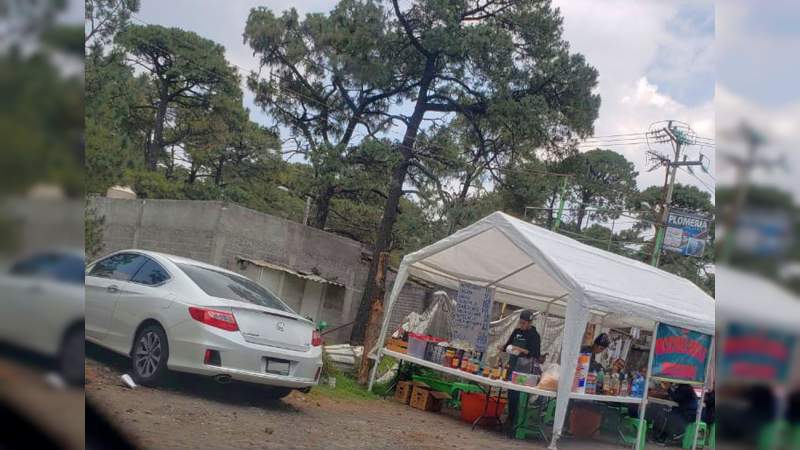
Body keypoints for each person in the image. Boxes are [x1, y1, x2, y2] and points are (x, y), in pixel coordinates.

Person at [499, 310, 541, 436]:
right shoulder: (517, 332)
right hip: (512, 365)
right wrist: (503, 347)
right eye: (520, 322)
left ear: (530, 322)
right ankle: (510, 419)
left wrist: (520, 350)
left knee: (520, 396)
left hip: (525, 369)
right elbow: (508, 345)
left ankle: (517, 422)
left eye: (524, 323)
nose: (522, 325)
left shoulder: (534, 335)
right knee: (511, 393)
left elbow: (535, 354)